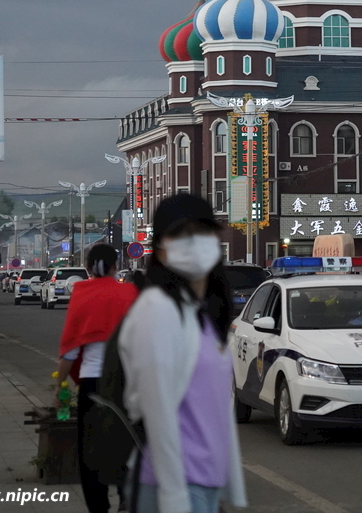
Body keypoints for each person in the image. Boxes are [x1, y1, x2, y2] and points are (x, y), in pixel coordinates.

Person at [118, 194, 246, 513]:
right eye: (180, 235)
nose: (194, 243)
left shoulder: (201, 313)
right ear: (161, 249)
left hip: (204, 484)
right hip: (170, 487)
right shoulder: (157, 309)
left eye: (203, 232)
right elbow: (158, 411)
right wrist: (175, 499)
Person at [54, 244, 138, 513]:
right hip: (126, 383)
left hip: (91, 385)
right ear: (116, 266)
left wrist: (60, 387)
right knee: (127, 440)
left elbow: (71, 350)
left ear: (89, 268)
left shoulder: (82, 294)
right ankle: (127, 494)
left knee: (91, 450)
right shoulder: (130, 293)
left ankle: (98, 507)